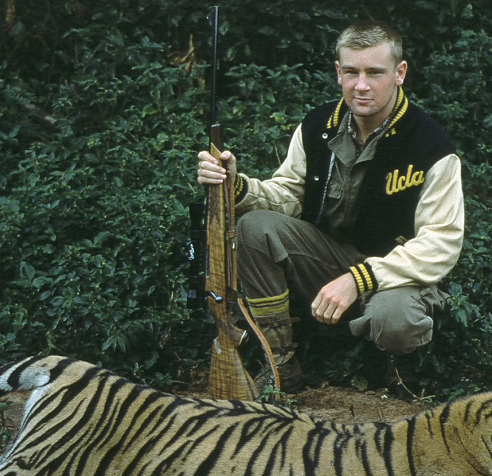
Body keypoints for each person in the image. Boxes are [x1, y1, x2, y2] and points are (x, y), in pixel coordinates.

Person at [196, 20, 464, 393]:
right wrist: (235, 185)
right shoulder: (316, 125)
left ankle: (399, 365)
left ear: (400, 73)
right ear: (338, 72)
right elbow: (288, 195)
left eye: (375, 73)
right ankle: (280, 364)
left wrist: (359, 279)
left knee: (395, 319)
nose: (361, 85)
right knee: (254, 226)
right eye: (351, 72)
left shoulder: (431, 144)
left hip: (396, 276)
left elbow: (441, 241)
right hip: (328, 258)